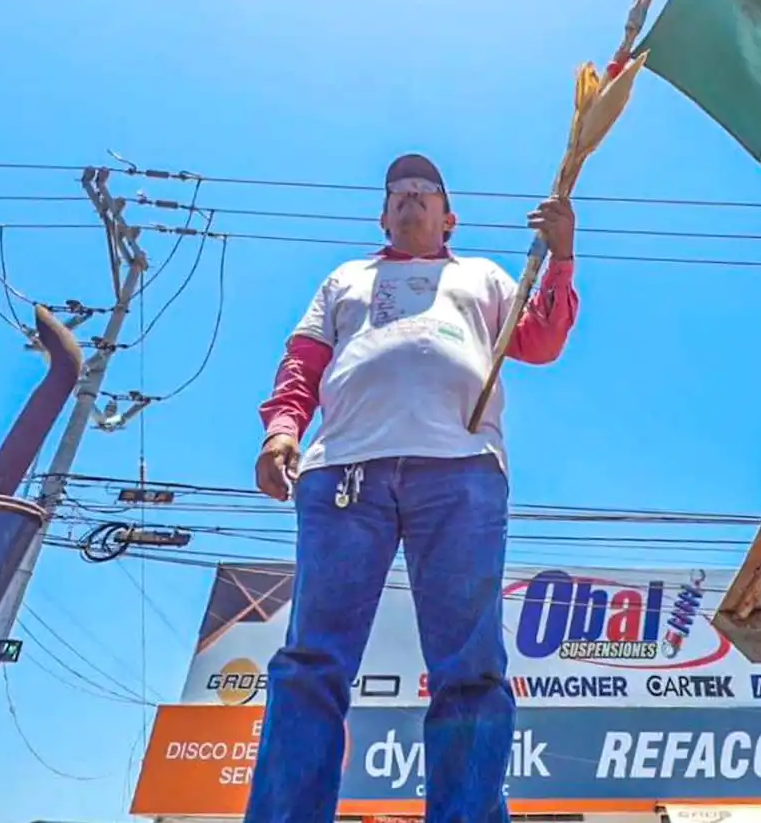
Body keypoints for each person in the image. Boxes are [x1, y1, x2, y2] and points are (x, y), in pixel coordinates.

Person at [245, 154, 580, 823]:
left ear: (448, 217)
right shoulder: (346, 278)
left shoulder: (483, 275)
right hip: (344, 472)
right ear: (383, 214)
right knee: (311, 660)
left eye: (426, 192)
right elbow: (303, 362)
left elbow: (540, 340)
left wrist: (563, 256)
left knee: (470, 666)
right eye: (399, 192)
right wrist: (281, 430)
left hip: (461, 470)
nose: (411, 199)